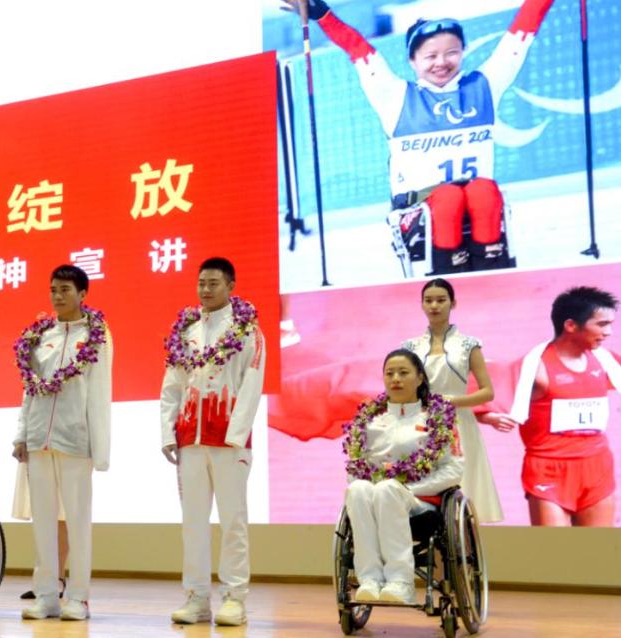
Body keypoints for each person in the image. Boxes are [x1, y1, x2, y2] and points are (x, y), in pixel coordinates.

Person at [288, 0, 554, 273]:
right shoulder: (394, 95)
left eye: (452, 52)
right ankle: (446, 274)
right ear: (412, 61)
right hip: (417, 209)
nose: (442, 62)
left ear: (463, 52)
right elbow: (358, 49)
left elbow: (520, 36)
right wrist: (323, 15)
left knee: (484, 190)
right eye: (430, 56)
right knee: (449, 196)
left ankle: (491, 269)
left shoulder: (484, 86)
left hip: (474, 201)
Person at [160, 257, 265, 627]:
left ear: (231, 286)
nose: (205, 289)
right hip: (190, 439)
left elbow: (252, 384)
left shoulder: (247, 330)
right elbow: (172, 384)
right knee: (193, 522)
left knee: (233, 521)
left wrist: (236, 435)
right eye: (201, 283)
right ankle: (197, 597)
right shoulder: (186, 330)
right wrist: (168, 432)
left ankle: (235, 598)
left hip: (229, 441)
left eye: (214, 283)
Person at [12, 264, 112, 621]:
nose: (57, 296)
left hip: (76, 439)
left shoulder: (96, 334)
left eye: (65, 290)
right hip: (39, 439)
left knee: (78, 521)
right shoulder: (40, 335)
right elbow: (30, 389)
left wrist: (100, 447)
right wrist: (22, 434)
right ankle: (47, 595)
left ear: (82, 294)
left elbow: (100, 391)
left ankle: (79, 598)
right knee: (43, 521)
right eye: (53, 289)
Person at [482, 287, 619, 526]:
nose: (609, 332)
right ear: (571, 325)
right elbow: (482, 385)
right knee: (554, 549)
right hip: (548, 470)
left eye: (610, 324)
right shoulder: (535, 367)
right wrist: (487, 416)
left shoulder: (606, 362)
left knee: (599, 548)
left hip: (598, 468)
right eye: (602, 324)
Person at [343, 349, 464, 604]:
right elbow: (355, 469)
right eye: (389, 373)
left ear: (420, 378)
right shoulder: (370, 421)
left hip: (420, 504)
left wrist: (409, 490)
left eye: (403, 372)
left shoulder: (437, 419)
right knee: (357, 489)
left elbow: (453, 470)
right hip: (374, 499)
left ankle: (401, 582)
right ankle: (370, 579)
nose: (395, 379)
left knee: (387, 489)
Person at [402, 278, 505, 523]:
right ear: (421, 304)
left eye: (441, 300)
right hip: (420, 422)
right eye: (428, 301)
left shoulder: (469, 345)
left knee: (463, 485)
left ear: (453, 303)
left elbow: (487, 392)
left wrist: (453, 401)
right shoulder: (410, 347)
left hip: (459, 423)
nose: (434, 306)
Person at [11, 463, 69, 600]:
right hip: (36, 456)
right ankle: (43, 582)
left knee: (61, 514)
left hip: (63, 456)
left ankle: (58, 579)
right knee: (42, 516)